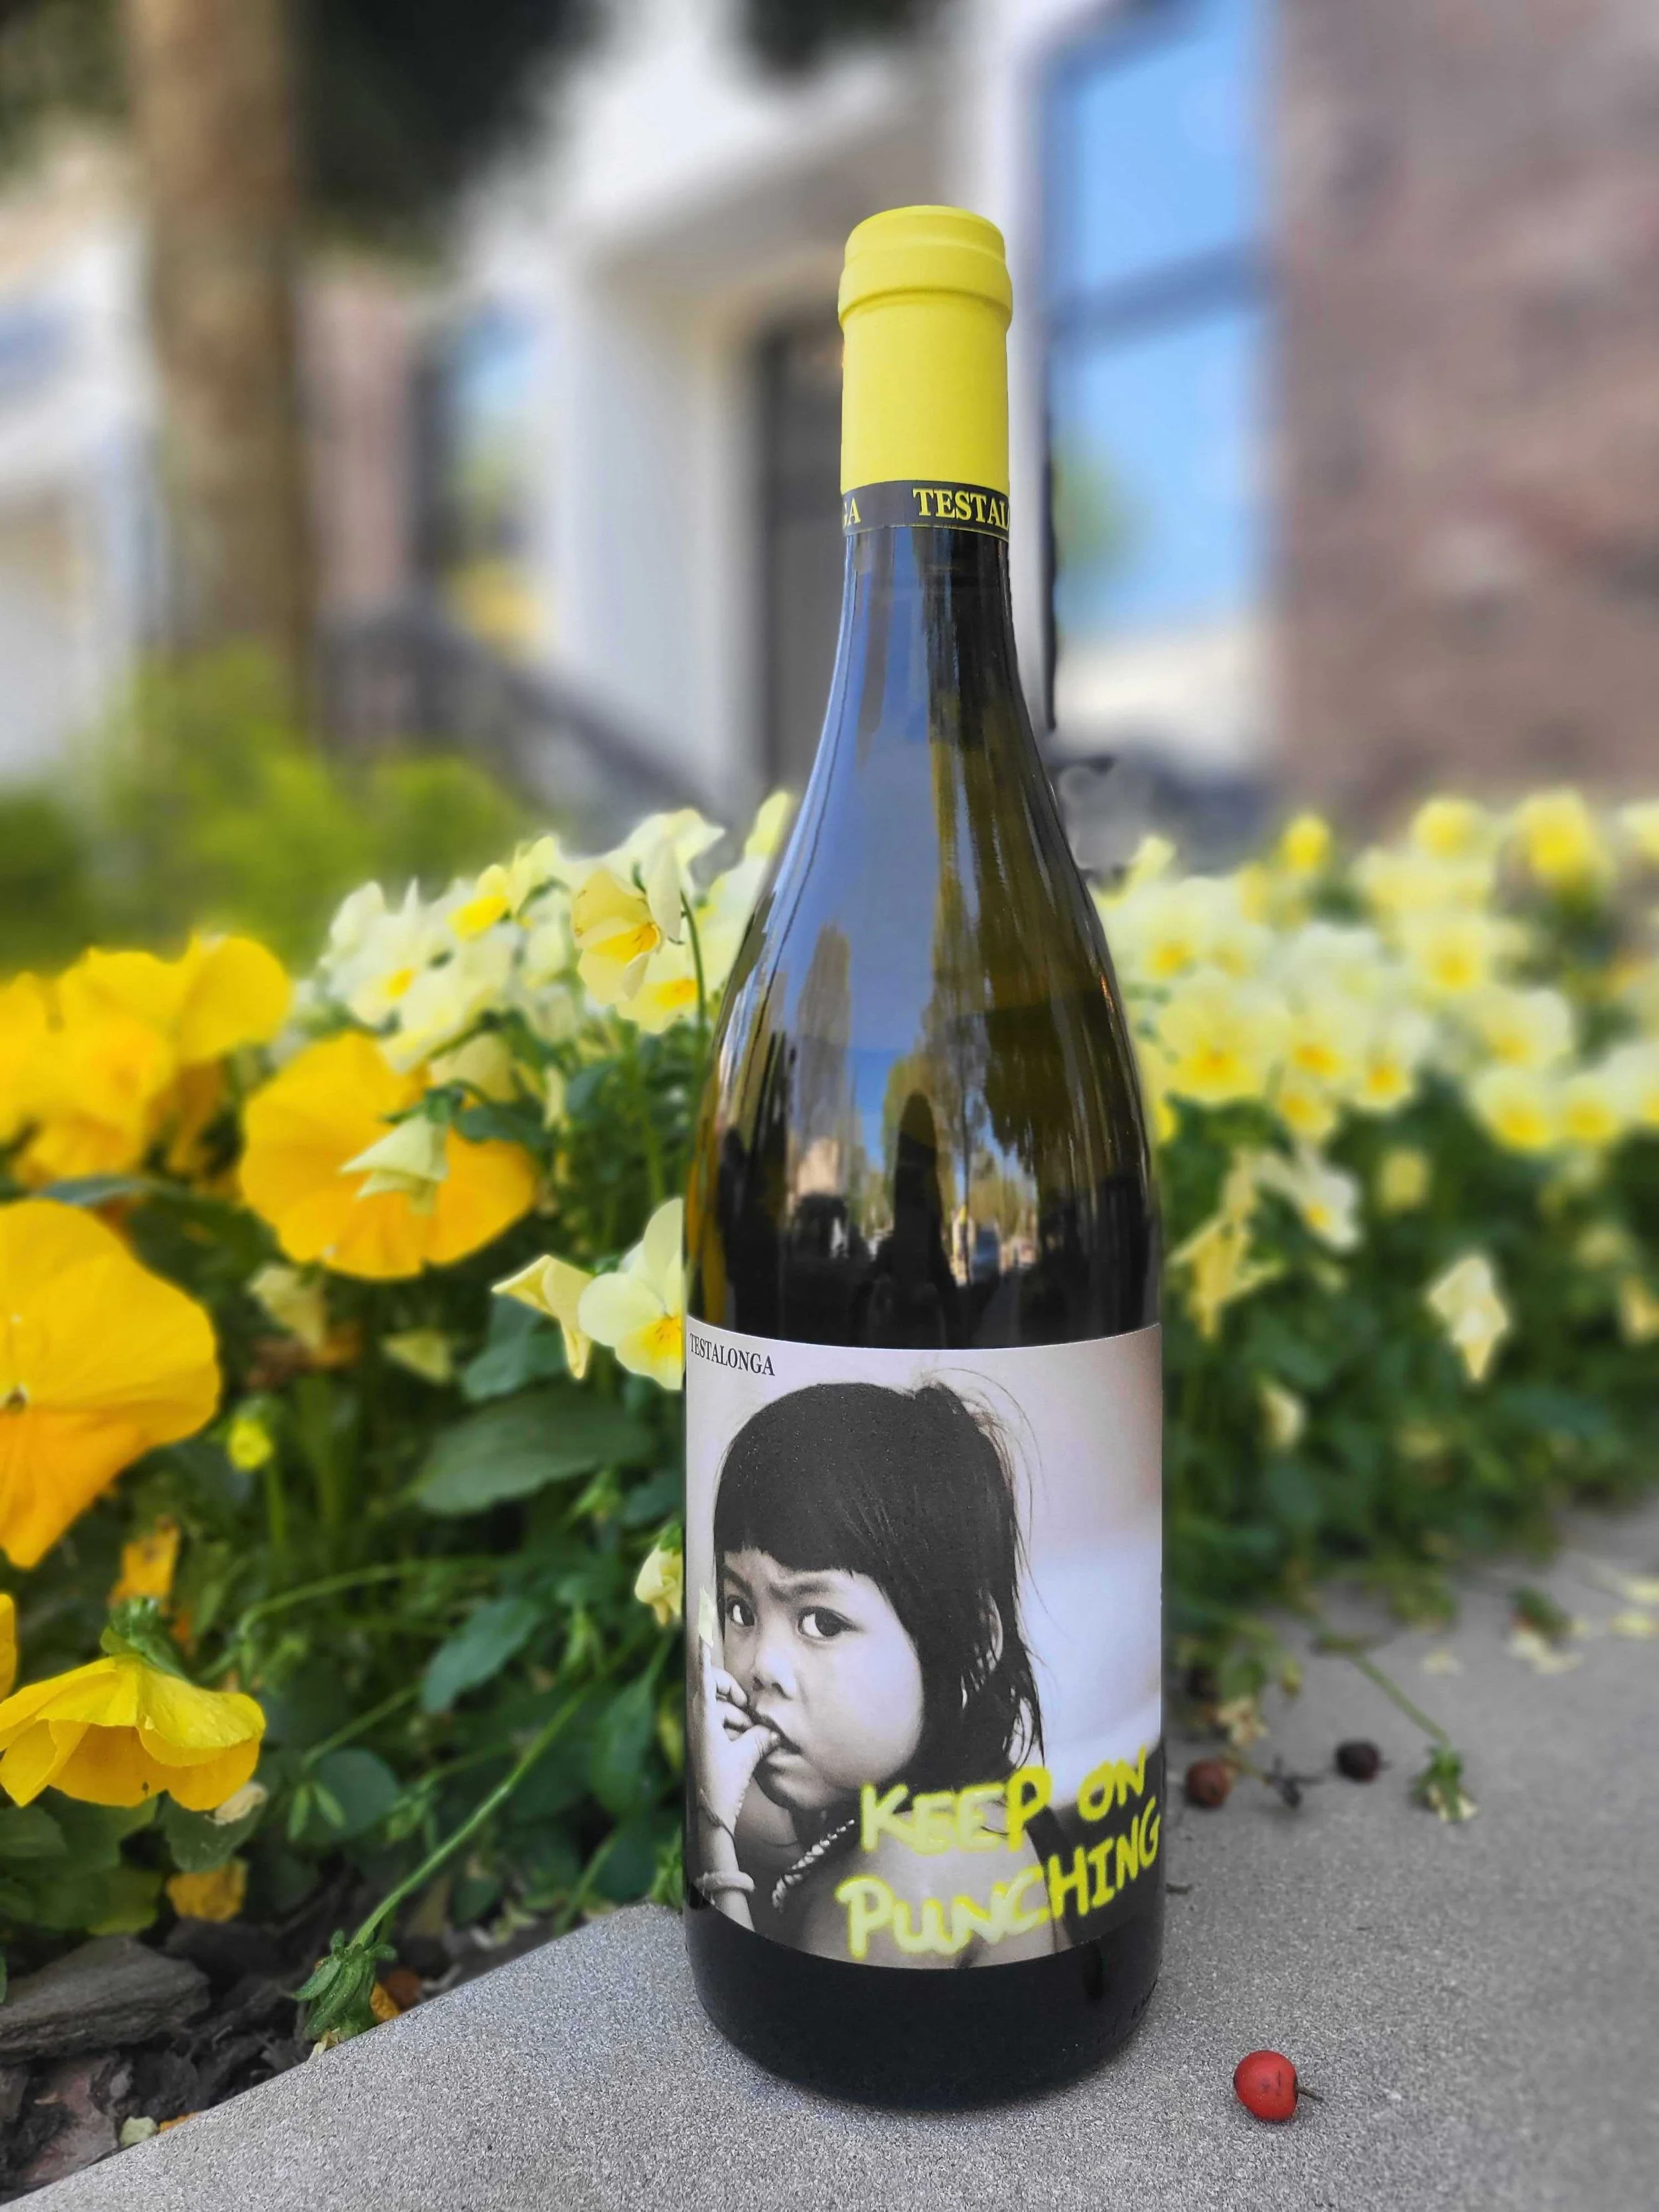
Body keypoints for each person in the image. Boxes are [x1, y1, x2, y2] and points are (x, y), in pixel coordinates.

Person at [689, 1378, 1060, 1966]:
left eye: (823, 1622)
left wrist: (713, 1830)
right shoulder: (959, 1813)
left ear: (970, 1640)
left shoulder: (902, 1870)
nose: (760, 1665)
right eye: (741, 1611)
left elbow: (781, 2013)